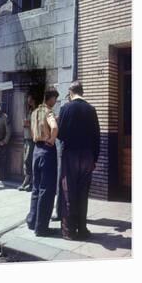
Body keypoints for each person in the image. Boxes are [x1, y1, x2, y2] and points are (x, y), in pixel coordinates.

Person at [57, 81, 100, 240]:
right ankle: (82, 229)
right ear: (82, 91)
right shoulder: (91, 109)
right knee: (83, 193)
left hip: (70, 156)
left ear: (70, 92)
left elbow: (60, 134)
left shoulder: (65, 109)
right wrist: (94, 158)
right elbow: (97, 136)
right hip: (88, 156)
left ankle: (68, 231)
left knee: (69, 192)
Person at [26, 88, 59, 236]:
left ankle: (32, 221)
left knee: (36, 187)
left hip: (36, 150)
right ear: (50, 98)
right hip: (47, 151)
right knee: (47, 189)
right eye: (55, 99)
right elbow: (54, 127)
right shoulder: (48, 112)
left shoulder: (34, 113)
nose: (55, 102)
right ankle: (41, 228)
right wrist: (52, 140)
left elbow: (32, 132)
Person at [18, 91, 38, 191]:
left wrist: (28, 124)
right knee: (27, 161)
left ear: (33, 99)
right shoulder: (30, 110)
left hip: (32, 139)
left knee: (29, 160)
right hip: (26, 138)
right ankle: (28, 182)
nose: (28, 101)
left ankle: (30, 183)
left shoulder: (37, 111)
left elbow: (38, 125)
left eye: (29, 99)